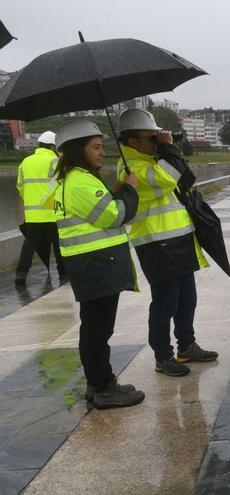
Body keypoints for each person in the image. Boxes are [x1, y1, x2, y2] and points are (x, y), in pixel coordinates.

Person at [116, 108, 217, 377]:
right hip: (157, 245)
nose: (157, 142)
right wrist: (168, 150)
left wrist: (168, 150)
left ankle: (187, 345)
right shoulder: (131, 167)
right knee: (165, 304)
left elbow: (183, 177)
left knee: (187, 300)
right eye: (151, 138)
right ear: (132, 140)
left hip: (178, 240)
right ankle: (163, 356)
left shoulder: (152, 161)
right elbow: (166, 179)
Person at [53, 119, 144, 409]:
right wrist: (129, 190)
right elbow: (114, 216)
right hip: (96, 265)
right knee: (98, 330)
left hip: (91, 264)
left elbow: (101, 211)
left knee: (94, 328)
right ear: (78, 151)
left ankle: (98, 383)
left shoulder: (75, 180)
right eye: (94, 147)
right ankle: (104, 388)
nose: (101, 152)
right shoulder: (79, 181)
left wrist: (114, 191)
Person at [15, 131, 65, 285]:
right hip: (53, 214)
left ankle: (21, 274)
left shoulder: (25, 162)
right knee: (58, 246)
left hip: (33, 215)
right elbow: (63, 185)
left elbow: (20, 187)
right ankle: (64, 274)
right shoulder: (55, 161)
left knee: (30, 244)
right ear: (52, 146)